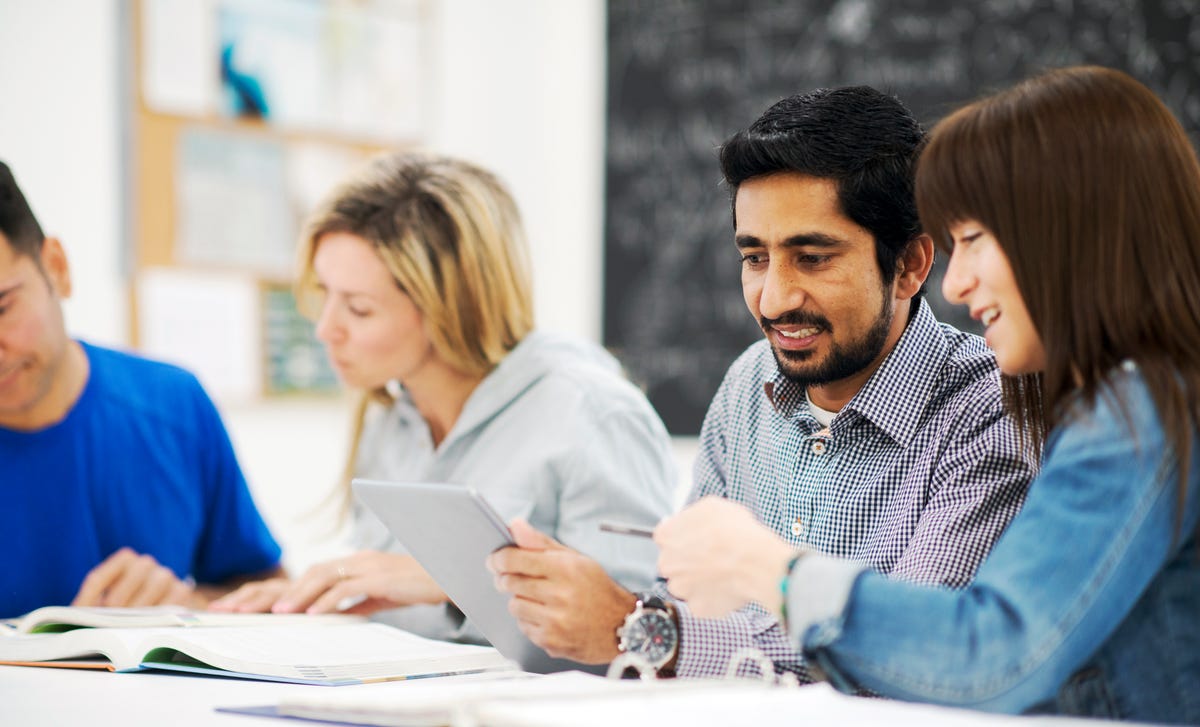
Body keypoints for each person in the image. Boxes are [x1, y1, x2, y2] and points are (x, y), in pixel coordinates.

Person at [654, 65, 1200, 723]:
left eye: (972, 240)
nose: (955, 284)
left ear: (1071, 231)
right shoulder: (1135, 399)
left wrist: (772, 571)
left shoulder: (1134, 409)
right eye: (755, 257)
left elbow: (989, 656)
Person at [487, 86, 1036, 678]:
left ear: (909, 266)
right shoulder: (749, 384)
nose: (774, 299)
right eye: (754, 258)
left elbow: (903, 657)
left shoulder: (990, 409)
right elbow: (685, 592)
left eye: (813, 258)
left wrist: (640, 631)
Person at [210, 152, 676, 643]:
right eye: (324, 294)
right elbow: (392, 607)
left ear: (449, 308)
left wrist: (450, 582)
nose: (325, 329)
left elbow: (640, 639)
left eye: (359, 309)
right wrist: (301, 607)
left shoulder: (592, 414)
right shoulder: (392, 419)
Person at [0, 161, 283, 618]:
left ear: (56, 268)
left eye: (2, 308)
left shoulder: (173, 405)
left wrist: (191, 605)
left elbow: (269, 591)